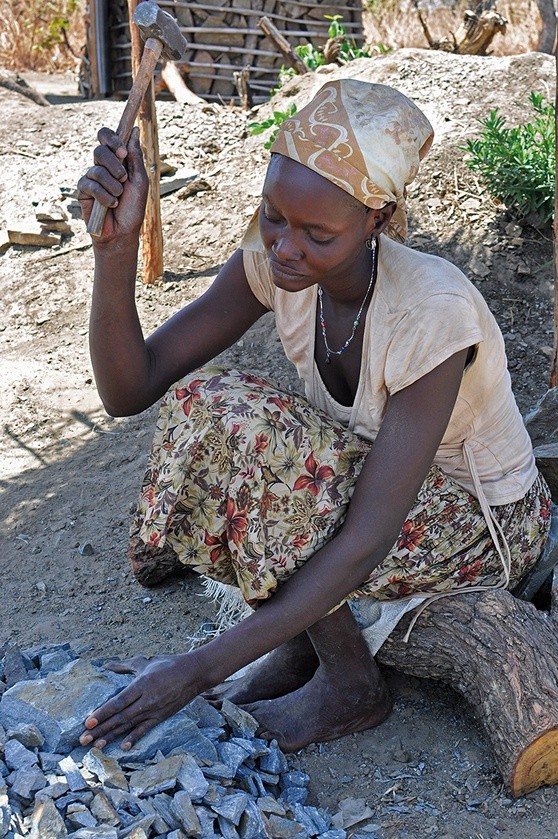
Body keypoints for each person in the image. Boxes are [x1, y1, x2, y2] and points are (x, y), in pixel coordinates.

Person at [76, 79, 551, 755]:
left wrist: (197, 668)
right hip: (374, 492)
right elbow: (133, 387)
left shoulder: (432, 313)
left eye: (316, 233)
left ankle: (351, 684)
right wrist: (115, 251)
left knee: (270, 445)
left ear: (378, 220)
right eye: (273, 216)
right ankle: (304, 647)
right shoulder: (275, 264)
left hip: (484, 523)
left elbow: (364, 538)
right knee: (211, 407)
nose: (285, 248)